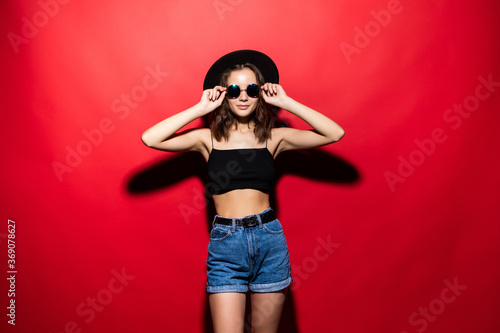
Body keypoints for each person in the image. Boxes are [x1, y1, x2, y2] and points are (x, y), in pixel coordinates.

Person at [141, 50, 344, 333]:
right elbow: (150, 138)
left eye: (251, 89)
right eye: (235, 90)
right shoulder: (208, 139)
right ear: (224, 94)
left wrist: (286, 102)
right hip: (226, 244)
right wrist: (200, 109)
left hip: (269, 239)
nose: (243, 97)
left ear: (261, 93)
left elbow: (334, 133)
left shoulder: (274, 137)